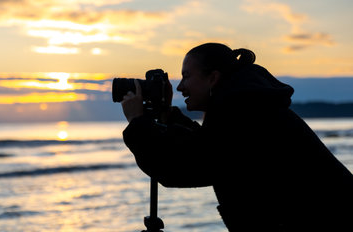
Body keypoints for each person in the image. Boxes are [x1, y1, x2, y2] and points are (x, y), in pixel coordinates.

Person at [120, 42, 353, 232]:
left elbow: (182, 168)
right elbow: (208, 147)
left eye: (187, 76)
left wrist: (137, 123)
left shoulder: (242, 112)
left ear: (213, 78)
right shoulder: (244, 104)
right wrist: (168, 116)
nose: (180, 87)